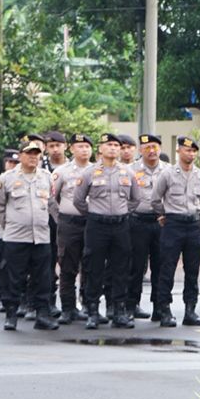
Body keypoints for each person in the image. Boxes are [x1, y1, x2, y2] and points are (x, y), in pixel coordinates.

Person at [0, 140, 58, 331]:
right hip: (16, 237)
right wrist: (11, 225)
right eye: (29, 153)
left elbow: (52, 204)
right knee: (15, 277)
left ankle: (42, 315)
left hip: (41, 236)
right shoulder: (7, 178)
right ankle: (11, 314)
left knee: (43, 278)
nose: (33, 157)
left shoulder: (46, 177)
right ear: (21, 155)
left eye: (36, 154)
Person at [75, 133, 134, 329]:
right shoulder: (89, 173)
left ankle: (119, 311)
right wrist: (94, 213)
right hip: (97, 225)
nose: (113, 148)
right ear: (100, 149)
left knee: (121, 269)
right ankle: (92, 311)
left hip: (120, 225)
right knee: (94, 268)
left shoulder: (128, 172)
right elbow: (78, 200)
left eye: (117, 145)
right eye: (109, 145)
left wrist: (122, 212)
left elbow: (136, 199)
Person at [152, 136, 200, 327]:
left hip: (193, 225)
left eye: (194, 151)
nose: (191, 154)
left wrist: (197, 215)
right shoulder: (167, 174)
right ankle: (164, 310)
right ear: (178, 151)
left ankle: (190, 310)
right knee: (167, 268)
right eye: (187, 150)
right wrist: (163, 215)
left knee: (192, 270)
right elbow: (155, 199)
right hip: (173, 224)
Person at [48, 134, 93, 323]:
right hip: (69, 223)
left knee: (90, 266)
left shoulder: (98, 170)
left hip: (92, 223)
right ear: (72, 149)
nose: (84, 150)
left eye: (87, 146)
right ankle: (68, 307)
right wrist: (60, 218)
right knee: (67, 266)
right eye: (79, 146)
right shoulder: (62, 172)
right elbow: (52, 198)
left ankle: (89, 306)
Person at [127, 134, 166, 319]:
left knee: (160, 265)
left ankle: (159, 307)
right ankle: (131, 305)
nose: (151, 151)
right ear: (140, 150)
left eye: (155, 147)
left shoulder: (168, 170)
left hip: (161, 222)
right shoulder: (130, 170)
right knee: (135, 266)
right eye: (147, 147)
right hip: (138, 221)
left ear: (160, 149)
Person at [0, 149, 19, 318]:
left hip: (20, 233)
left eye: (15, 162)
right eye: (10, 162)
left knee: (18, 268)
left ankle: (19, 300)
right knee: (2, 267)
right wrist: (2, 225)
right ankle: (3, 299)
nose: (12, 165)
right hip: (2, 232)